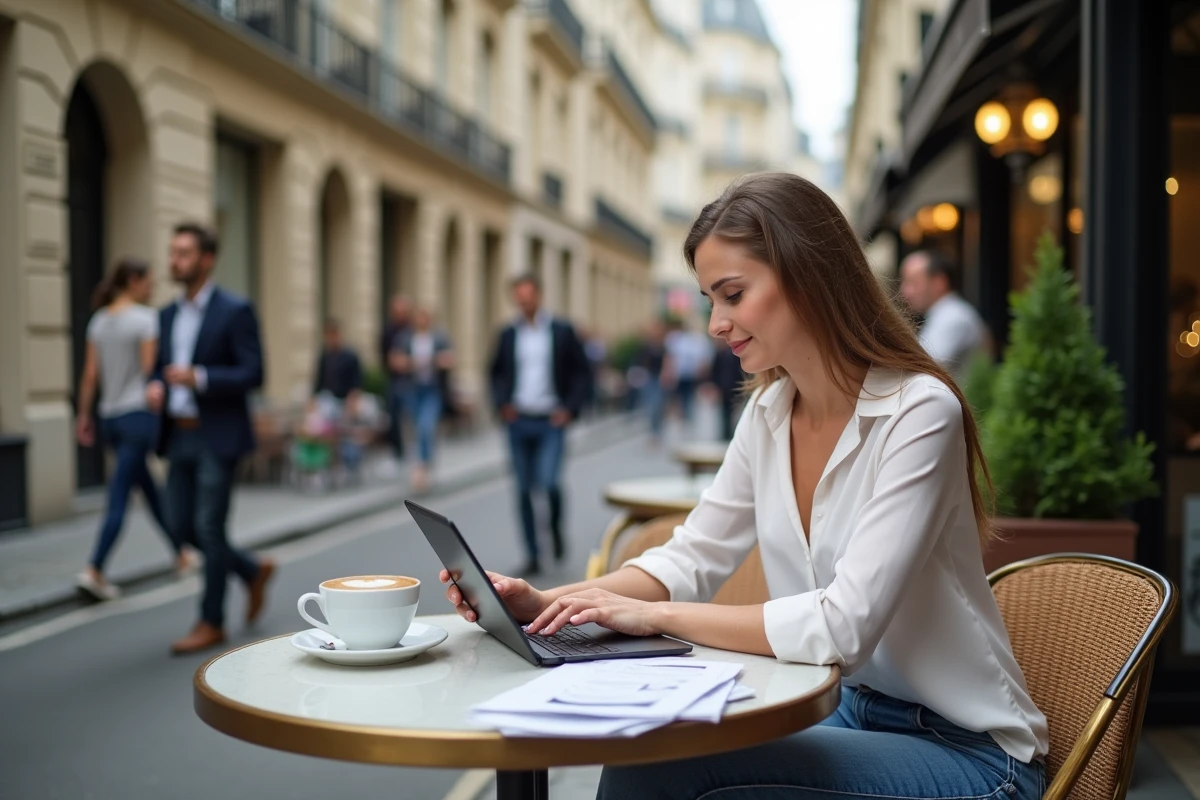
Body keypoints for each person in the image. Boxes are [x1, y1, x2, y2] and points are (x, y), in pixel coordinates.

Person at [447, 174, 1048, 800]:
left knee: (661, 769)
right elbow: (691, 557)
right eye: (711, 299)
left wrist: (651, 616)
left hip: (970, 752)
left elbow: (842, 628)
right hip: (845, 710)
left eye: (732, 294)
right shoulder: (769, 413)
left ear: (807, 274)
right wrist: (545, 603)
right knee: (651, 750)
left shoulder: (918, 413)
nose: (715, 323)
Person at [148, 222, 276, 655]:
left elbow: (253, 373)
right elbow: (160, 368)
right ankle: (251, 569)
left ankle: (211, 621)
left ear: (206, 259)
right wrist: (156, 387)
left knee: (208, 525)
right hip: (178, 434)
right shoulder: (166, 315)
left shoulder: (235, 310)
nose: (174, 261)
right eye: (172, 252)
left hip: (217, 436)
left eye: (183, 253)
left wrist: (200, 378)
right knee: (180, 526)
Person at [74, 258, 197, 600]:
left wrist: (83, 416)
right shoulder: (145, 319)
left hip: (109, 418)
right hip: (137, 417)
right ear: (132, 280)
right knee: (119, 496)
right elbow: (151, 371)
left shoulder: (99, 322)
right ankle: (94, 569)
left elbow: (90, 376)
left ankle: (182, 554)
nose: (153, 287)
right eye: (148, 281)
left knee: (150, 491)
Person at [488, 275, 591, 577]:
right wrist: (501, 404)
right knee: (522, 490)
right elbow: (494, 372)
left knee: (549, 483)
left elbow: (582, 373)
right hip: (518, 420)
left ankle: (555, 531)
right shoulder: (508, 334)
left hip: (551, 421)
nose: (524, 302)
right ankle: (532, 554)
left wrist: (569, 409)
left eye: (528, 296)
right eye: (518, 297)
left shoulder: (561, 331)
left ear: (539, 296)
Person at [898, 249, 989, 385]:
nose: (904, 291)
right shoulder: (946, 313)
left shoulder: (953, 317)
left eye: (914, 282)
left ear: (939, 282)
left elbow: (921, 368)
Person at [389, 307, 454, 493]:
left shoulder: (439, 338)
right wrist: (412, 363)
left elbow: (449, 359)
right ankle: (422, 462)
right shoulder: (406, 338)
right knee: (416, 429)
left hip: (432, 390)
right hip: (412, 389)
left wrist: (432, 361)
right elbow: (395, 361)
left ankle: (422, 467)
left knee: (427, 426)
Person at [380, 294, 413, 462]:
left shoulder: (412, 330)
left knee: (412, 419)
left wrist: (407, 362)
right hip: (394, 380)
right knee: (392, 417)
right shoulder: (388, 330)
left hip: (411, 382)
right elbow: (384, 356)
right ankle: (397, 452)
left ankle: (414, 452)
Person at [707, 342, 746, 441]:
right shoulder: (720, 354)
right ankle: (725, 435)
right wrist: (714, 387)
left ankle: (733, 434)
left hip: (736, 387)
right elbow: (714, 372)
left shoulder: (736, 356)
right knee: (725, 413)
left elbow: (741, 372)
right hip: (724, 388)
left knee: (736, 412)